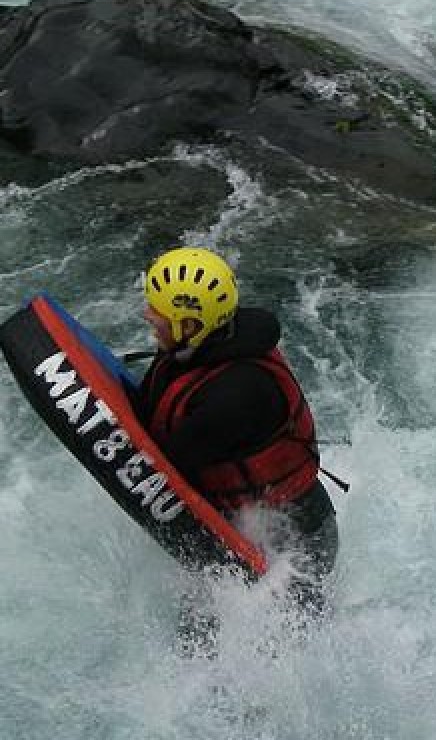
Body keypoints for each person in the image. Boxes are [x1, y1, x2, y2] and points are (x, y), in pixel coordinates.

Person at [135, 247, 340, 641]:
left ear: (190, 324)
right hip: (258, 526)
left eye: (157, 310)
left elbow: (164, 465)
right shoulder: (201, 347)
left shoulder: (234, 398)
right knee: (197, 634)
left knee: (270, 653)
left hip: (296, 548)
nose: (148, 315)